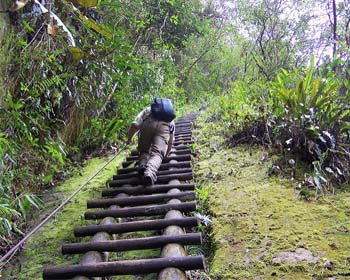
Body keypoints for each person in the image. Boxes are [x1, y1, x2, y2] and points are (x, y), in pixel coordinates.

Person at [126, 99, 175, 185]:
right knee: (157, 154)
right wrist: (165, 154)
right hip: (164, 128)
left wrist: (129, 139)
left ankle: (143, 165)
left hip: (147, 124)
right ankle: (149, 173)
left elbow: (134, 125)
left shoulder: (148, 110)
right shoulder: (170, 118)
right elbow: (170, 141)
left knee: (144, 150)